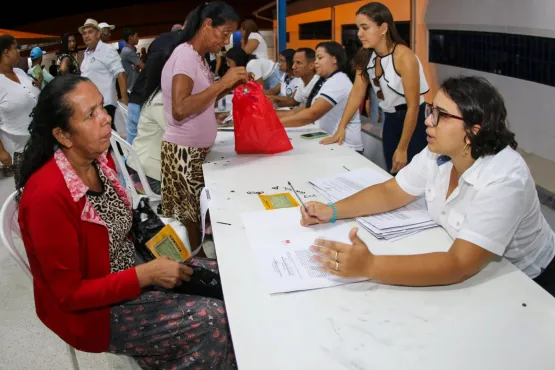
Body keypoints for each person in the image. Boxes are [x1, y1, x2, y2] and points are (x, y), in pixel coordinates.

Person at [16, 75, 236, 369]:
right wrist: (146, 275)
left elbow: (117, 227)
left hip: (129, 268)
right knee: (214, 317)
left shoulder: (96, 159)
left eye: (101, 108)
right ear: (64, 136)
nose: (106, 118)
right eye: (90, 115)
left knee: (231, 279)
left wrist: (153, 252)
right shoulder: (47, 197)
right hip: (94, 312)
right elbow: (69, 295)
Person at [301, 76, 555, 297]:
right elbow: (391, 192)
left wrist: (370, 266)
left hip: (528, 280)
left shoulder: (504, 179)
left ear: (473, 131)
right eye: (431, 110)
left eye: (441, 116)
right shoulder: (437, 152)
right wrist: (332, 211)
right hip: (480, 267)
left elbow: (459, 264)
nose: (429, 121)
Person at [144, 2, 249, 252]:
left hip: (193, 152)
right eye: (224, 34)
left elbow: (202, 97)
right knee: (191, 223)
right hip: (183, 154)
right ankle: (198, 271)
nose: (224, 42)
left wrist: (230, 85)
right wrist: (222, 82)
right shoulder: (185, 55)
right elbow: (181, 108)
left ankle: (200, 264)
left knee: (197, 219)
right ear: (207, 25)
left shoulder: (199, 58)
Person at [323, 2, 428, 174]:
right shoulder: (366, 56)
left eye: (365, 28)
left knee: (411, 176)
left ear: (383, 27)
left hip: (413, 121)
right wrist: (341, 128)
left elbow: (413, 106)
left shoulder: (404, 56)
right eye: (358, 28)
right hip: (391, 119)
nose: (359, 34)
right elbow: (356, 94)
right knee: (393, 173)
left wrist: (403, 148)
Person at [280, 42, 363, 152]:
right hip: (330, 141)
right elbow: (303, 110)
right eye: (315, 59)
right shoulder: (325, 81)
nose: (316, 63)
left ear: (334, 59)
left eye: (320, 58)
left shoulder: (338, 81)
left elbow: (313, 113)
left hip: (345, 146)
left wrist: (274, 124)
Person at [0, 35, 40, 185]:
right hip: (18, 147)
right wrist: (1, 151)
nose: (19, 51)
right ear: (6, 52)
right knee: (27, 187)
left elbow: (31, 93)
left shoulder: (20, 72)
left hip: (37, 139)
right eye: (16, 48)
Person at [79, 18, 128, 128]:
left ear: (98, 34)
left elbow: (120, 73)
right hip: (91, 106)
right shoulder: (87, 54)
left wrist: (124, 100)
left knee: (109, 138)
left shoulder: (107, 49)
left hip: (106, 105)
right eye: (84, 33)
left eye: (90, 32)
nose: (86, 36)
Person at [128, 90, 166, 194]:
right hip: (145, 173)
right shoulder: (159, 100)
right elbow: (177, 132)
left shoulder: (155, 95)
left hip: (140, 164)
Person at [120, 28, 145, 144]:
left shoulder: (129, 50)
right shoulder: (128, 52)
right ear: (130, 37)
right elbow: (143, 66)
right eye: (136, 35)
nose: (138, 38)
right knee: (136, 122)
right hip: (132, 87)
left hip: (132, 86)